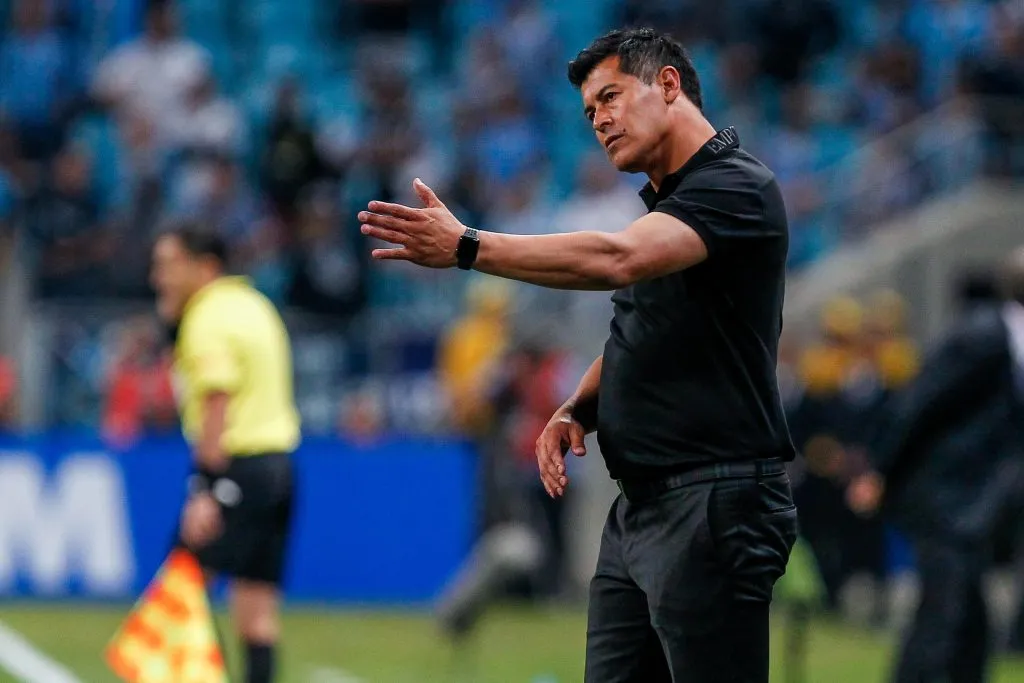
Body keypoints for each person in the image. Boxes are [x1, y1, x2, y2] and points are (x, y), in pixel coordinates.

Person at [359, 27, 798, 683]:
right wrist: (578, 405)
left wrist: (468, 247)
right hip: (641, 508)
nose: (600, 120)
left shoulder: (736, 186)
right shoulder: (671, 209)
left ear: (669, 86)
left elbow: (615, 259)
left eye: (612, 97)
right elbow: (638, 331)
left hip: (713, 501)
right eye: (590, 112)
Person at [847, 246, 1024, 682]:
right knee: (943, 615)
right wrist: (878, 471)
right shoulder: (982, 335)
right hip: (946, 500)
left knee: (971, 621)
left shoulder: (1009, 341)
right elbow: (918, 405)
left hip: (976, 508)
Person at [150, 224, 300, 683]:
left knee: (177, 603)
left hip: (237, 467)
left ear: (204, 266)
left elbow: (218, 400)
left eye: (170, 265)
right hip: (279, 470)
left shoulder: (207, 317)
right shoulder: (255, 305)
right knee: (256, 616)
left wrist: (206, 488)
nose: (159, 277)